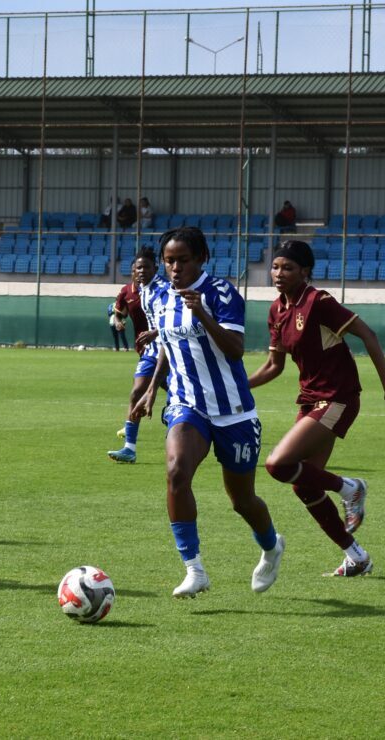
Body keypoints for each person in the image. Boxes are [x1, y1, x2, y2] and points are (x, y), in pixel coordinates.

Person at [131, 226, 283, 597]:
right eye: (169, 261)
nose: (175, 268)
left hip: (233, 410)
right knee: (176, 473)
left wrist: (202, 314)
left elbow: (235, 349)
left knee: (241, 500)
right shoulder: (161, 296)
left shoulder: (221, 293)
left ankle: (271, 546)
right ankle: (194, 569)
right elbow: (168, 343)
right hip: (187, 404)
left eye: (183, 260)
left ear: (202, 259)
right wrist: (152, 389)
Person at [248, 240, 385, 577]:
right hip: (311, 399)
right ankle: (357, 557)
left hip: (338, 397)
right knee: (302, 484)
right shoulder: (277, 310)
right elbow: (273, 367)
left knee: (277, 464)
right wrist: (235, 387)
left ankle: (351, 488)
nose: (278, 273)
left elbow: (369, 336)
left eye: (288, 268)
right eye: (275, 267)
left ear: (305, 271)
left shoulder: (318, 301)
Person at [108, 246, 167, 464]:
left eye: (146, 267)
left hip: (171, 351)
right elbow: (117, 311)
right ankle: (129, 449)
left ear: (156, 268)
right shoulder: (138, 290)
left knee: (181, 398)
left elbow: (175, 319)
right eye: (138, 267)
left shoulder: (164, 289)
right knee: (136, 393)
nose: (141, 271)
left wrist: (155, 332)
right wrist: (117, 319)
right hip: (150, 351)